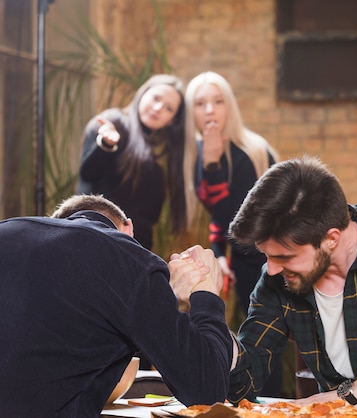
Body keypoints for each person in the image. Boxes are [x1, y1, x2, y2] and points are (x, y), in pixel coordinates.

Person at [175, 155, 357, 404]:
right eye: (267, 255)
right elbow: (242, 382)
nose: (271, 269)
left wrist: (353, 392)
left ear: (331, 238)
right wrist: (206, 302)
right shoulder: (276, 280)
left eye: (285, 256)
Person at [0, 194, 232, 416]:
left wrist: (164, 297)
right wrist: (206, 293)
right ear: (128, 229)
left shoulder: (8, 232)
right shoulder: (129, 258)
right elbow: (207, 391)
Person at [184, 70, 279, 315]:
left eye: (218, 101)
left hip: (268, 259)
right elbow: (218, 215)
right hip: (241, 256)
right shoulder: (200, 152)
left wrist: (213, 166)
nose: (209, 110)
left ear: (230, 106)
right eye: (200, 103)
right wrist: (219, 255)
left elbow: (238, 221)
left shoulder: (249, 153)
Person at [77, 74, 196, 251]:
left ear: (172, 121)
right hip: (96, 239)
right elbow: (87, 174)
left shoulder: (160, 153)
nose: (157, 108)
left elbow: (149, 216)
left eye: (168, 108)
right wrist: (106, 144)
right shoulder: (113, 122)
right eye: (156, 98)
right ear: (143, 93)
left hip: (132, 248)